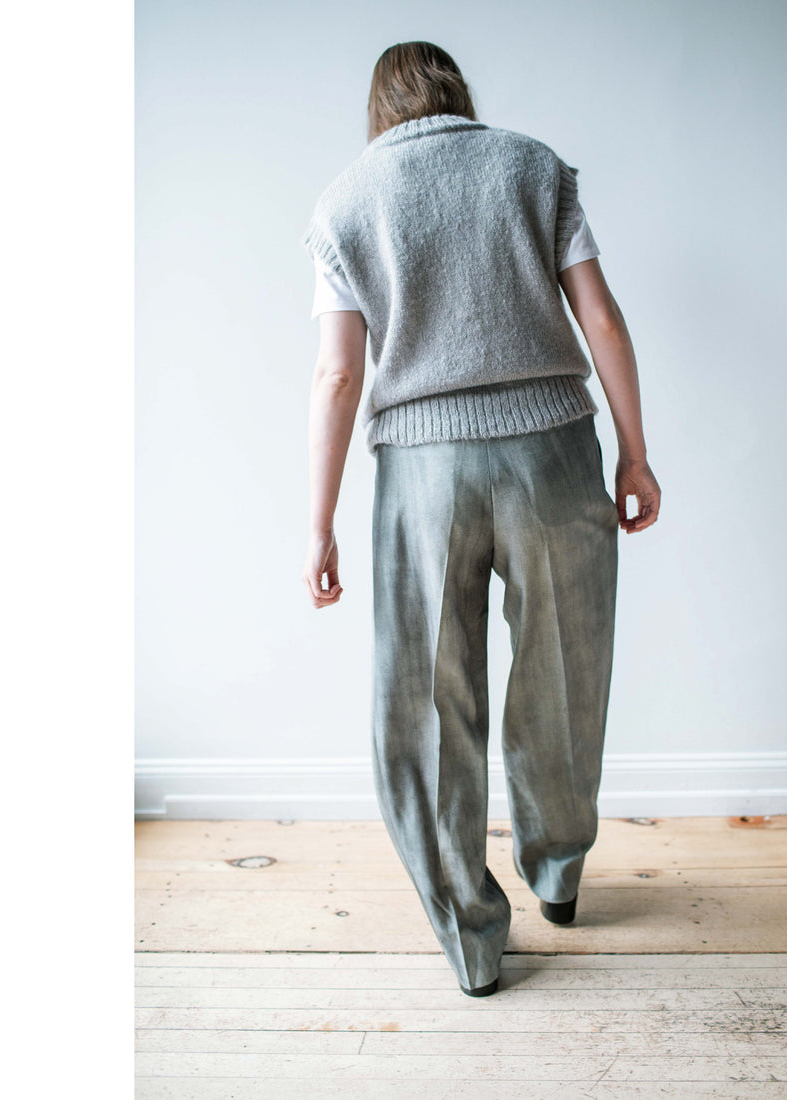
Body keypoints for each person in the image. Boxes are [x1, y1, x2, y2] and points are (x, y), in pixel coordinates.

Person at [300, 41, 661, 997]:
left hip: (424, 477)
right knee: (565, 674)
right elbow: (602, 319)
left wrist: (320, 521)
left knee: (427, 705)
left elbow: (337, 375)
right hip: (553, 453)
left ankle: (470, 940)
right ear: (457, 92)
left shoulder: (347, 202)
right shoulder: (532, 167)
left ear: (379, 109)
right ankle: (560, 874)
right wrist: (633, 452)